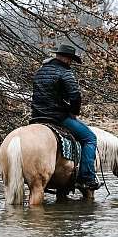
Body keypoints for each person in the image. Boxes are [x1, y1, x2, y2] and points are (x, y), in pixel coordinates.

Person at [31, 43, 101, 192]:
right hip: (56, 117)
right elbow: (75, 96)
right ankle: (86, 178)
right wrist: (73, 112)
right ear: (67, 58)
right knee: (90, 138)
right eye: (70, 59)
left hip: (37, 116)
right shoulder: (65, 72)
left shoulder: (40, 71)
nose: (70, 62)